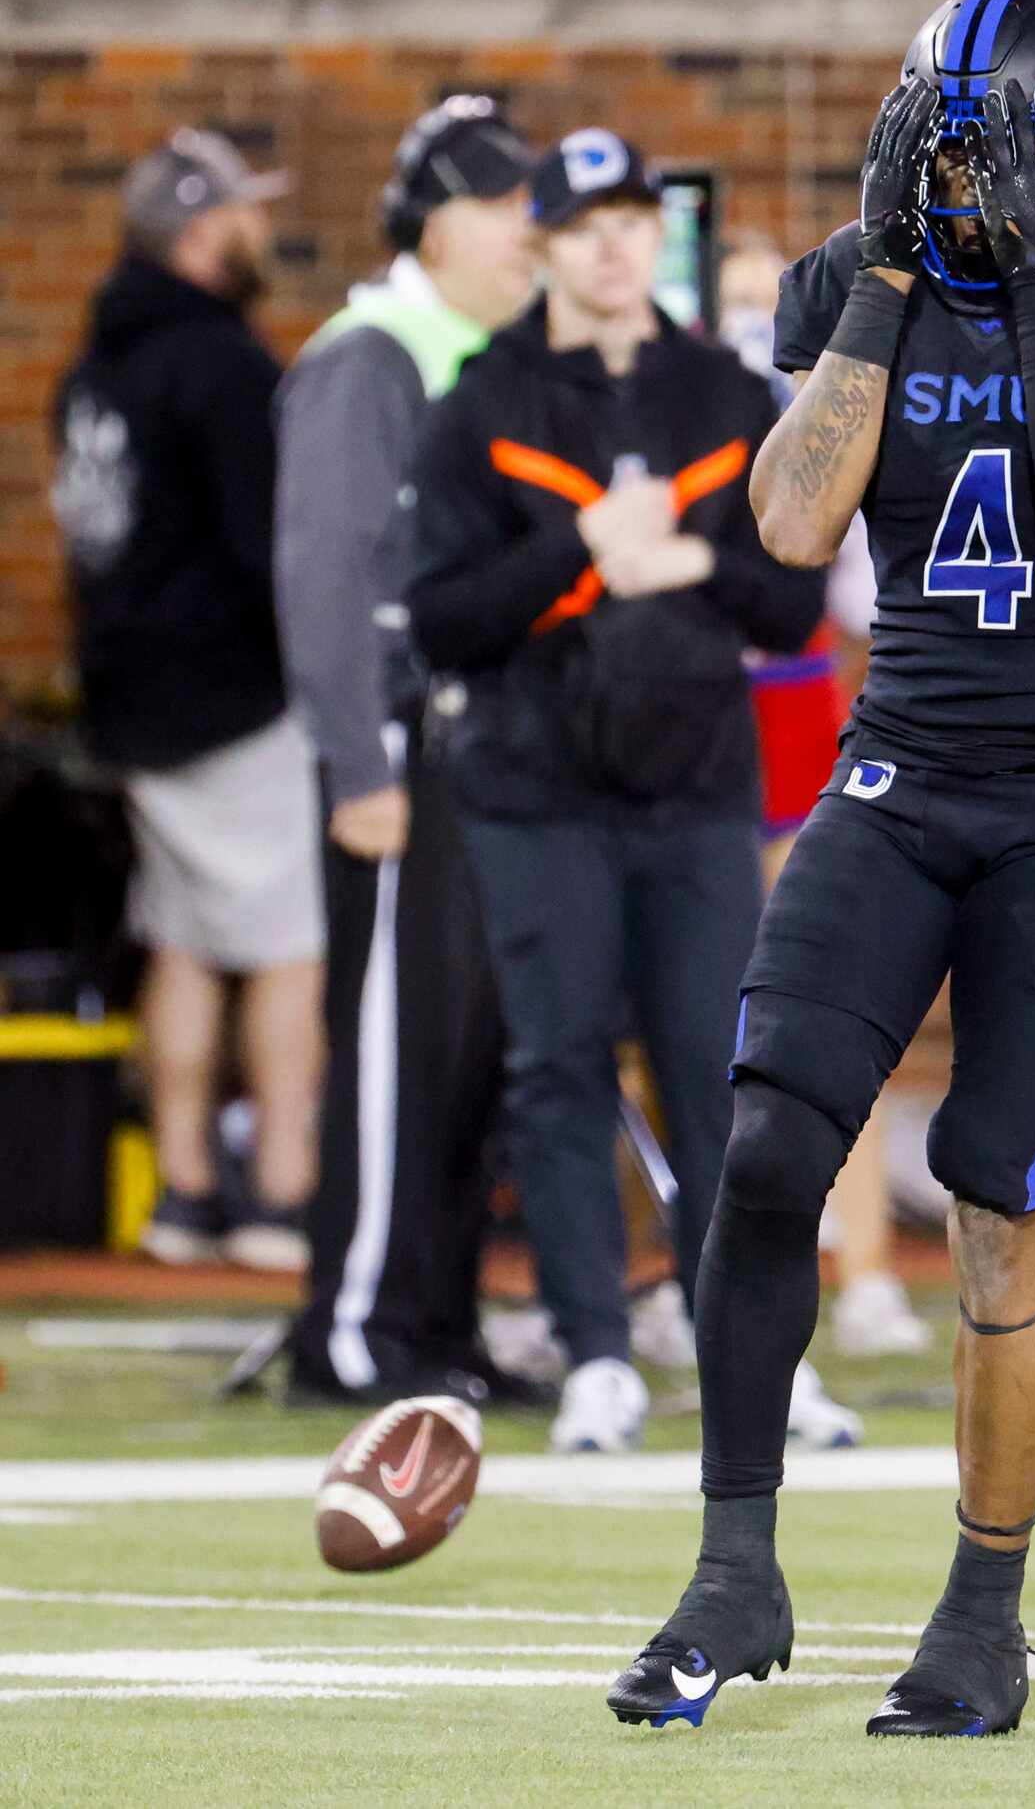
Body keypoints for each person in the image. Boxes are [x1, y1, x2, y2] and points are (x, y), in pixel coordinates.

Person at [605, 0, 1035, 1738]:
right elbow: (789, 526)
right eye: (950, 149)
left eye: (999, 153)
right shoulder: (859, 281)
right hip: (899, 773)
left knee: (996, 1192)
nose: (971, 180)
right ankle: (734, 1570)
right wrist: (892, 273)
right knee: (760, 1149)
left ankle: (983, 1606)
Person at [404, 130, 834, 1453]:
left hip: (698, 789)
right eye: (585, 222)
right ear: (539, 241)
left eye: (634, 220)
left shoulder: (722, 390)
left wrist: (693, 559)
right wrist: (579, 553)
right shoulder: (484, 397)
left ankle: (755, 1362)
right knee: (559, 1070)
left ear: (661, 238)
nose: (612, 244)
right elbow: (441, 619)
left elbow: (792, 597)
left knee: (724, 1076)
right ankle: (594, 1349)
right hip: (537, 792)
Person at [274, 97, 543, 1406]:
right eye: (501, 207)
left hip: (481, 748)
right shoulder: (372, 352)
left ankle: (437, 1324)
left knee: (464, 1054)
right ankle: (356, 1327)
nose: (524, 232)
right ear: (434, 220)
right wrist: (357, 761)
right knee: (392, 1050)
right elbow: (324, 568)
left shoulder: (478, 350)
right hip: (398, 741)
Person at [50, 129, 323, 1272]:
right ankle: (281, 1195)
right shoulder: (219, 362)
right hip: (233, 703)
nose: (262, 232)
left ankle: (184, 1190)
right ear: (208, 231)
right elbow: (277, 551)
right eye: (247, 214)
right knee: (287, 945)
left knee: (184, 941)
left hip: (132, 704)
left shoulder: (97, 359)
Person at [720, 232, 930, 1361]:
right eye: (733, 303)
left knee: (830, 1001)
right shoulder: (674, 402)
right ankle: (685, 1260)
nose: (753, 326)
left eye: (768, 303)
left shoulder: (836, 398)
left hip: (793, 712)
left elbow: (853, 590)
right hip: (689, 718)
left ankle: (864, 1269)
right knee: (683, 1008)